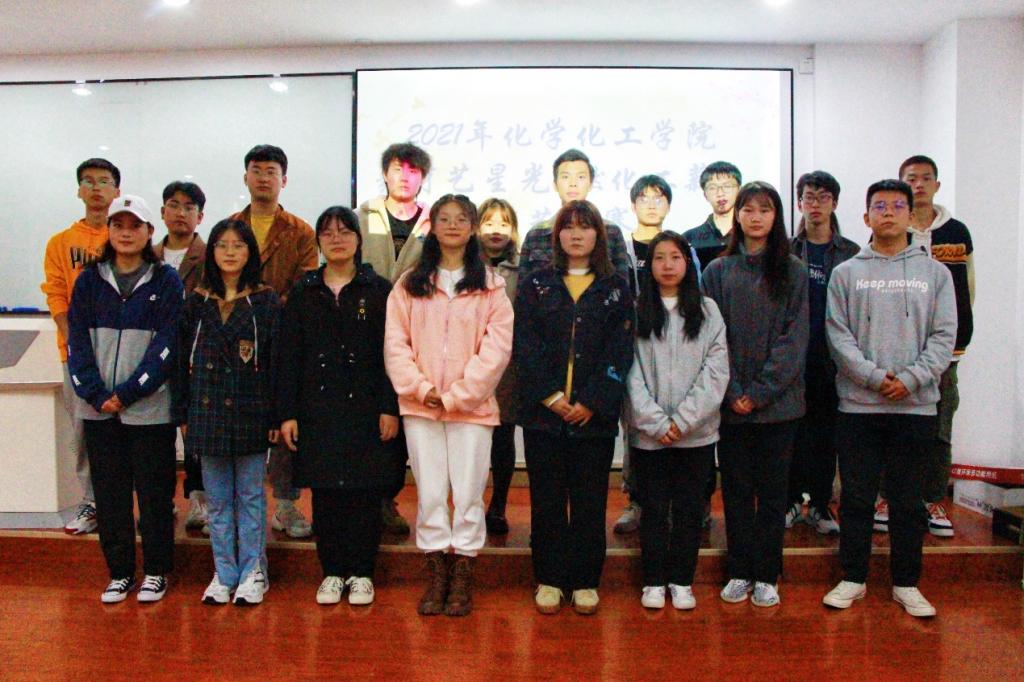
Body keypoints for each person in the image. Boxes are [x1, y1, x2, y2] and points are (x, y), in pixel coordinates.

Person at [822, 179, 955, 618]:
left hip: (915, 407)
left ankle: (906, 583)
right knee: (857, 498)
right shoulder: (846, 274)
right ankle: (853, 577)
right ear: (866, 217)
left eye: (899, 206)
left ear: (911, 215)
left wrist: (911, 379)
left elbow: (944, 337)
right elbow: (837, 335)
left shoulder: (935, 274)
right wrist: (876, 378)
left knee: (907, 501)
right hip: (859, 407)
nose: (889, 213)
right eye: (879, 206)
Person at [384, 194, 513, 617]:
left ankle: (463, 569)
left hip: (472, 409)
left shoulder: (491, 286)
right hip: (421, 406)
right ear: (432, 226)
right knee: (431, 491)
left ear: (473, 227)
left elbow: (496, 351)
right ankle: (436, 568)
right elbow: (395, 345)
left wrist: (458, 395)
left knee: (469, 490)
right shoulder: (409, 284)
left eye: (461, 219)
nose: (453, 225)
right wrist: (420, 389)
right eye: (444, 218)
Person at [515, 200, 634, 616]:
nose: (577, 234)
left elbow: (621, 349)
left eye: (585, 227)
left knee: (589, 502)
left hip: (593, 418)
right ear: (557, 235)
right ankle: (549, 578)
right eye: (569, 227)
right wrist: (550, 397)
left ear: (599, 235)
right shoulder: (536, 284)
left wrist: (593, 402)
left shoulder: (616, 287)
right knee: (547, 501)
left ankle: (585, 580)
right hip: (543, 416)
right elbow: (524, 344)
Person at [278, 206, 400, 607]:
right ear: (318, 241)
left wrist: (389, 407)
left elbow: (392, 354)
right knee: (326, 492)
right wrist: (288, 412)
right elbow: (290, 356)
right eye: (328, 233)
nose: (337, 239)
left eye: (345, 231)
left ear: (358, 240)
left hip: (368, 407)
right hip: (317, 408)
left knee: (365, 493)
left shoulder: (379, 290)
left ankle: (362, 573)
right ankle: (331, 571)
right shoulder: (304, 291)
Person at [67, 194, 183, 603]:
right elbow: (77, 344)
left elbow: (167, 346)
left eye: (135, 226)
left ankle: (156, 571)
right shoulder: (89, 280)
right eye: (118, 225)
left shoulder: (167, 281)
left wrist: (129, 392)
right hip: (99, 411)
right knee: (110, 496)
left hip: (149, 410)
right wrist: (97, 395)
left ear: (150, 232)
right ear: (109, 230)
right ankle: (119, 573)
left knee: (154, 495)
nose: (126, 233)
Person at [701, 181, 808, 609]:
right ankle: (739, 570)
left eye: (765, 209)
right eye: (748, 209)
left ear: (776, 216)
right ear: (738, 216)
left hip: (779, 407)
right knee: (737, 492)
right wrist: (732, 392)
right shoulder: (717, 271)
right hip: (730, 407)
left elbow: (794, 339)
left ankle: (767, 573)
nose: (756, 217)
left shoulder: (793, 270)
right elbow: (710, 339)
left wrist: (760, 392)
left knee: (774, 494)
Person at [174, 219, 279, 606]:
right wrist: (183, 413)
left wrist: (274, 416)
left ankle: (253, 572)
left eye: (238, 245)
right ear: (212, 252)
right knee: (217, 500)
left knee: (250, 497)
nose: (230, 252)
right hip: (207, 412)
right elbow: (180, 362)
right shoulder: (197, 302)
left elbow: (276, 364)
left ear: (251, 252)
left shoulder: (265, 301)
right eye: (222, 245)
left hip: (251, 412)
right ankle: (224, 572)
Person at [627, 232, 729, 610]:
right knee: (653, 509)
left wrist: (683, 421)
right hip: (648, 435)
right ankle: (654, 580)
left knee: (689, 509)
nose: (667, 265)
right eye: (659, 258)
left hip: (696, 434)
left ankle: (682, 580)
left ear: (688, 263)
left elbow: (716, 372)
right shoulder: (636, 309)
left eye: (675, 257)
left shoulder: (708, 310)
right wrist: (655, 423)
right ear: (649, 265)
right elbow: (629, 373)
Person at [876, 155, 972, 539]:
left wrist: (953, 340)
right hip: (895, 354)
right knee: (889, 427)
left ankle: (932, 499)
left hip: (945, 354)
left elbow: (968, 289)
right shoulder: (890, 231)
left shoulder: (957, 231)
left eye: (925, 178)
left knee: (939, 430)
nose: (918, 184)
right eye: (911, 179)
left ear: (937, 185)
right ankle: (886, 498)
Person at [230, 144, 318, 539]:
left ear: (284, 180)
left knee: (285, 421)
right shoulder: (231, 227)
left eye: (271, 171)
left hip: (283, 339)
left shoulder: (300, 231)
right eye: (256, 170)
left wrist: (265, 309)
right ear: (245, 177)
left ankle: (285, 504)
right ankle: (238, 502)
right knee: (239, 419)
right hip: (236, 338)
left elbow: (304, 286)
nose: (263, 177)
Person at [358, 142, 434, 537]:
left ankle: (388, 499)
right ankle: (362, 498)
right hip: (364, 330)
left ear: (423, 177)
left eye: (413, 170)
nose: (405, 176)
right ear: (385, 173)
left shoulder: (434, 221)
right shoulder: (361, 216)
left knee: (402, 421)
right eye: (397, 168)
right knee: (366, 415)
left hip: (415, 335)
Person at [41, 157, 120, 535]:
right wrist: (72, 337)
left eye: (104, 181)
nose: (96, 188)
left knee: (129, 431)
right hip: (76, 353)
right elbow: (55, 291)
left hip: (122, 352)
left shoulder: (126, 237)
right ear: (79, 190)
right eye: (88, 181)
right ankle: (92, 501)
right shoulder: (60, 242)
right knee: (85, 430)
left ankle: (137, 502)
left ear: (116, 191)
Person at [785, 171, 858, 535]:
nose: (815, 204)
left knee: (827, 435)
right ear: (799, 203)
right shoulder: (785, 249)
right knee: (792, 433)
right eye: (809, 197)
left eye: (823, 197)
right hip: (793, 357)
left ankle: (820, 504)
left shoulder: (851, 253)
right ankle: (790, 501)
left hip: (833, 359)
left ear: (835, 203)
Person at [154, 180, 209, 535]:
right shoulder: (147, 256)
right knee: (156, 434)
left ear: (200, 216)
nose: (180, 213)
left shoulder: (209, 256)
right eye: (174, 205)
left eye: (189, 207)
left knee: (195, 435)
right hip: (152, 358)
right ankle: (161, 500)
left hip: (194, 356)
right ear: (162, 212)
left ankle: (199, 501)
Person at [518, 148, 633, 285]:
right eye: (565, 177)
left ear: (590, 184)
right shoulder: (536, 234)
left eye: (581, 177)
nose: (573, 183)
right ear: (555, 185)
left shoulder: (611, 231)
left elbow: (622, 287)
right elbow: (523, 289)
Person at [477, 198, 521, 535]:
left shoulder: (524, 270)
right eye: (489, 223)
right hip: (468, 365)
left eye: (503, 224)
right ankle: (469, 504)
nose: (496, 230)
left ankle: (498, 505)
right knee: (471, 439)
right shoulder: (462, 266)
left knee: (502, 437)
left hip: (507, 367)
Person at [683, 161, 743, 273]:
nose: (720, 193)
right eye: (712, 188)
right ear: (705, 195)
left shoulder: (749, 234)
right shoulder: (689, 238)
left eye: (727, 186)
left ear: (739, 190)